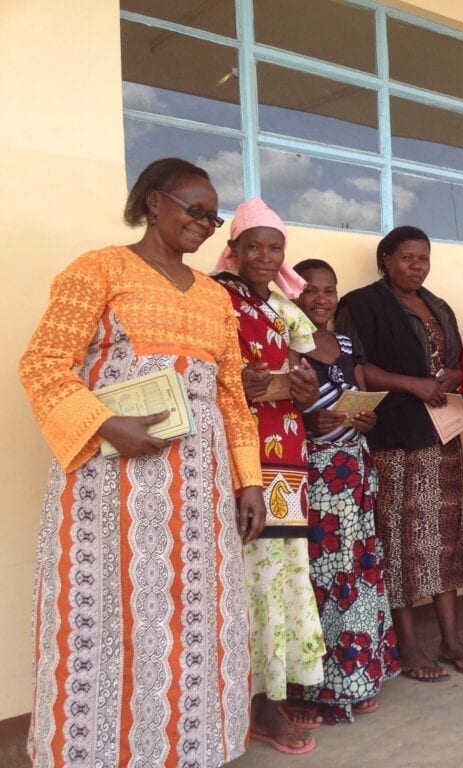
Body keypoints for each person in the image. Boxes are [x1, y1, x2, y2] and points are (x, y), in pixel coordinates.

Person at [19, 157, 264, 767]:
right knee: (108, 617)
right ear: (154, 202)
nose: (206, 224)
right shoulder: (98, 269)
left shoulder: (215, 297)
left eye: (214, 216)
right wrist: (106, 425)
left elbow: (231, 394)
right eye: (195, 209)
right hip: (111, 484)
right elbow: (44, 363)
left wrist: (249, 482)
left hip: (200, 488)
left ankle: (193, 749)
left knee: (197, 616)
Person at [338, 226, 463, 680]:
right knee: (397, 540)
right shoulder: (361, 304)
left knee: (445, 540)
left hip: (442, 437)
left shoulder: (438, 306)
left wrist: (452, 378)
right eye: (406, 258)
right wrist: (412, 384)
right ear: (386, 260)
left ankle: (451, 639)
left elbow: (456, 361)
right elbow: (355, 367)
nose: (416, 266)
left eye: (423, 258)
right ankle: (408, 646)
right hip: (395, 438)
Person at [213, 198, 326, 755]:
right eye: (252, 245)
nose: (263, 255)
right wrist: (236, 379)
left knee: (280, 576)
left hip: (287, 458)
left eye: (274, 246)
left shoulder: (283, 304)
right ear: (232, 248)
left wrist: (305, 386)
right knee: (241, 576)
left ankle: (269, 698)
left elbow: (313, 363)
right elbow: (196, 367)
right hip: (238, 458)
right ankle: (237, 702)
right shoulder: (213, 298)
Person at [286, 258, 401, 723]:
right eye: (311, 289)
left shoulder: (347, 343)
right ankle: (320, 688)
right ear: (294, 294)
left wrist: (366, 417)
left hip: (354, 469)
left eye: (329, 290)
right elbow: (274, 412)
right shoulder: (286, 345)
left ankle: (360, 672)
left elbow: (356, 395)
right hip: (314, 474)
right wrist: (306, 423)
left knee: (358, 573)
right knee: (323, 577)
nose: (321, 298)